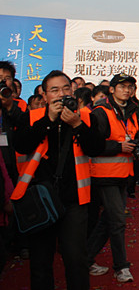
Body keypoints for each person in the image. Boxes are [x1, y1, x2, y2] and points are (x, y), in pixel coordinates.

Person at [11, 70, 105, 290]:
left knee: (76, 259)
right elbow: (21, 145)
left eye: (65, 88)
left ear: (72, 91)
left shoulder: (85, 116)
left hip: (74, 199)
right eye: (54, 90)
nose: (61, 94)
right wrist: (48, 120)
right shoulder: (32, 116)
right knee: (40, 261)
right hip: (40, 198)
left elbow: (97, 148)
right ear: (44, 96)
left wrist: (77, 124)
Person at [87, 73, 139, 283]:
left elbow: (131, 136)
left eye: (130, 87)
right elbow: (92, 145)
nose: (127, 90)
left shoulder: (131, 111)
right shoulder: (101, 111)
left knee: (108, 221)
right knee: (118, 220)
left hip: (123, 174)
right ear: (112, 89)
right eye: (122, 86)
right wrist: (119, 146)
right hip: (105, 174)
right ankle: (121, 266)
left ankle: (84, 258)